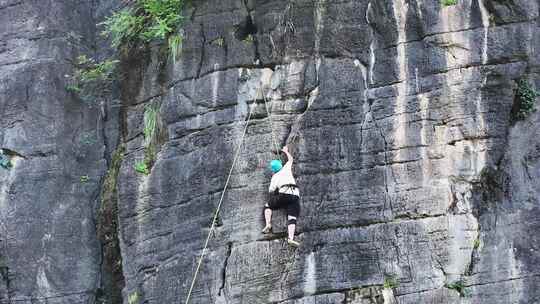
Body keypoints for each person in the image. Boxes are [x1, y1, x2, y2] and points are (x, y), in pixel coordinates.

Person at [262, 145, 301, 247]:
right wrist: (285, 151)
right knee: (292, 217)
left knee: (267, 206)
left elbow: (271, 190)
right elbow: (291, 159)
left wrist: (274, 179)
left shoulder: (274, 177)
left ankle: (268, 224)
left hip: (284, 194)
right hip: (295, 195)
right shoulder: (286, 168)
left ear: (273, 170)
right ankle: (291, 238)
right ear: (281, 165)